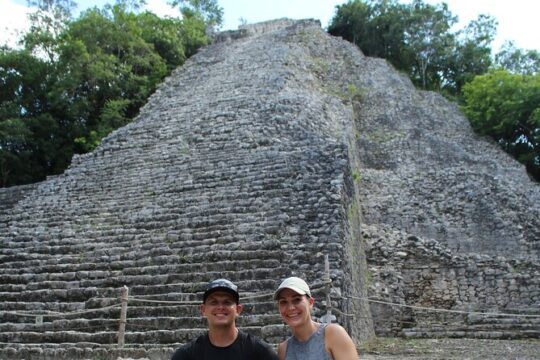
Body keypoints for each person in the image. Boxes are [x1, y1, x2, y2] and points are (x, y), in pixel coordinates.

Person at [171, 278, 278, 360]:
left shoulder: (261, 353)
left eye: (227, 302)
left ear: (238, 309)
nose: (220, 307)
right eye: (214, 302)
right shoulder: (186, 355)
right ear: (203, 309)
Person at [274, 276, 359, 360]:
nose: (290, 308)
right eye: (283, 302)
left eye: (297, 300)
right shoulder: (283, 350)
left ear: (310, 302)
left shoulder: (333, 335)